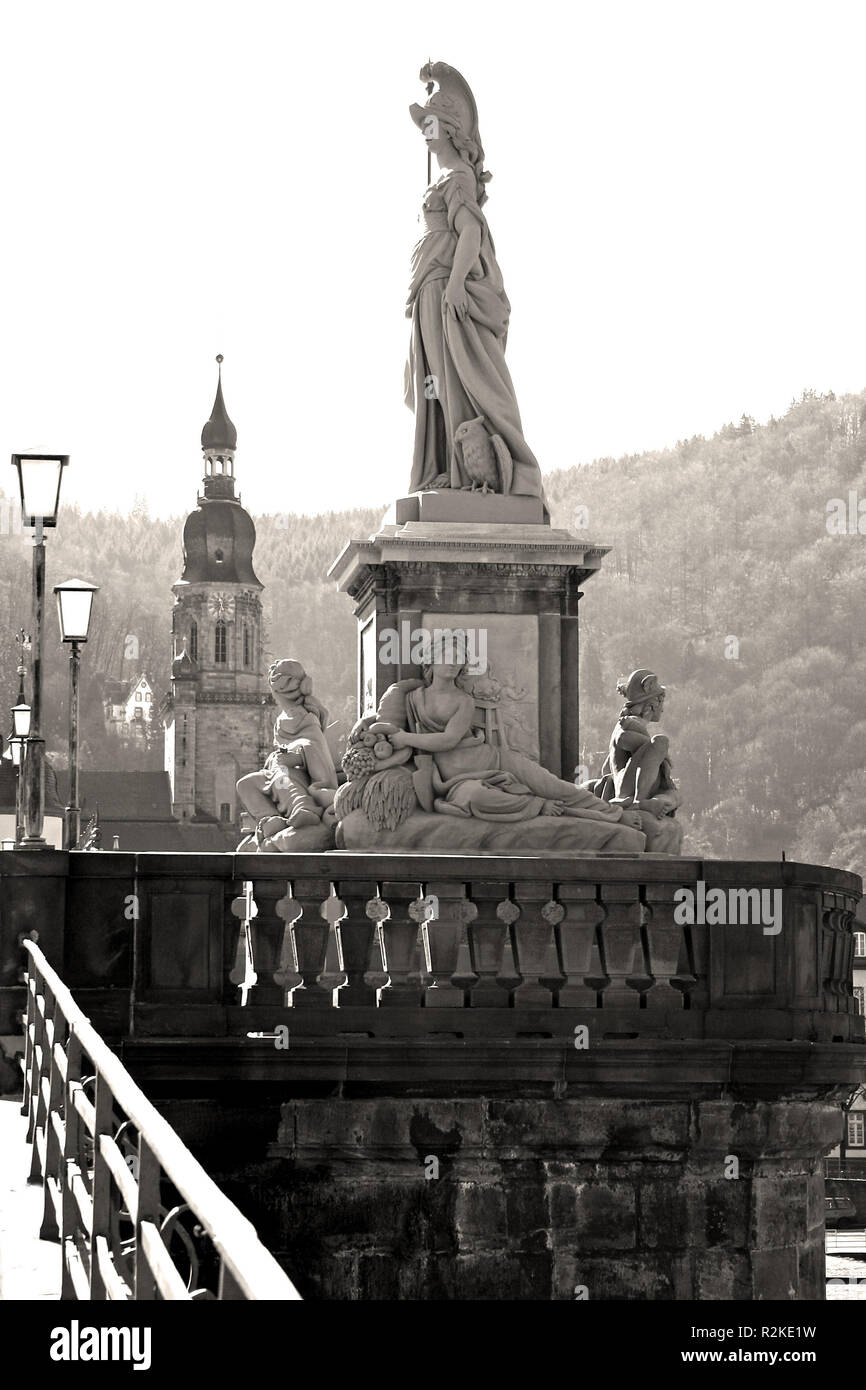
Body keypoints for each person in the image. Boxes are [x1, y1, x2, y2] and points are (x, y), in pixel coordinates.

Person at [404, 62, 545, 507]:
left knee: (452, 380)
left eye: (427, 123)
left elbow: (471, 233)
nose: (422, 132)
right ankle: (446, 468)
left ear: (446, 128)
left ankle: (464, 471)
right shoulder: (449, 178)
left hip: (445, 288)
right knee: (434, 385)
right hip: (432, 287)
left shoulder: (457, 178)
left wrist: (458, 285)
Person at [386, 632, 642, 828]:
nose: (453, 664)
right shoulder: (414, 698)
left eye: (458, 659)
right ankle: (538, 805)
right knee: (476, 799)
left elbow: (449, 739)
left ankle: (614, 815)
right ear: (431, 659)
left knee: (554, 785)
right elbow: (390, 722)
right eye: (447, 657)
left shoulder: (463, 700)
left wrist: (404, 737)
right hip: (456, 780)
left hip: (493, 760)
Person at [236, 660, 337, 840]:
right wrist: (276, 758)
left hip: (300, 774)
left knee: (284, 776)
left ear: (279, 691)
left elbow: (315, 746)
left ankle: (304, 808)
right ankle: (270, 818)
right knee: (245, 784)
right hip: (276, 772)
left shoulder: (305, 716)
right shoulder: (283, 719)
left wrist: (298, 758)